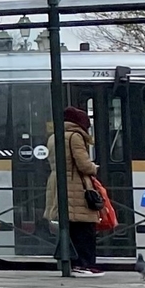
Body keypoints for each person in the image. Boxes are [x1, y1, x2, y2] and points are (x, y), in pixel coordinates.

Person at [60, 106, 105, 275]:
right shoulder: (76, 137)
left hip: (63, 185)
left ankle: (72, 263)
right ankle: (84, 264)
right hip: (77, 187)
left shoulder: (56, 136)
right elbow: (84, 164)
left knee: (72, 227)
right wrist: (95, 167)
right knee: (85, 228)